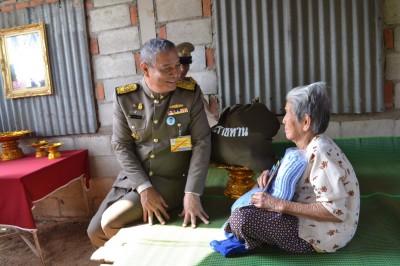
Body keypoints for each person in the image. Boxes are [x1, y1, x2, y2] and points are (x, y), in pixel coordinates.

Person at [87, 38, 212, 248]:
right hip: (132, 179)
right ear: (145, 69)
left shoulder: (189, 95)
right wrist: (144, 188)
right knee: (94, 232)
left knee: (109, 224)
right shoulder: (126, 98)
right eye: (167, 68)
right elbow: (121, 145)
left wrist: (192, 192)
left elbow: (202, 142)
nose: (176, 72)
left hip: (170, 181)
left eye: (177, 65)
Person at [213, 82, 360, 255]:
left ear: (305, 122)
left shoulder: (321, 152)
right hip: (307, 215)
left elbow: (334, 211)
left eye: (287, 113)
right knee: (246, 207)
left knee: (241, 220)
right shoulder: (306, 148)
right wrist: (271, 177)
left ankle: (256, 238)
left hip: (325, 233)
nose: (283, 120)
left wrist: (278, 204)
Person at [176, 42, 219, 128]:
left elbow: (206, 113)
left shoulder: (191, 86)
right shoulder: (163, 86)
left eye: (186, 64)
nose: (182, 69)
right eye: (178, 65)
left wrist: (216, 128)